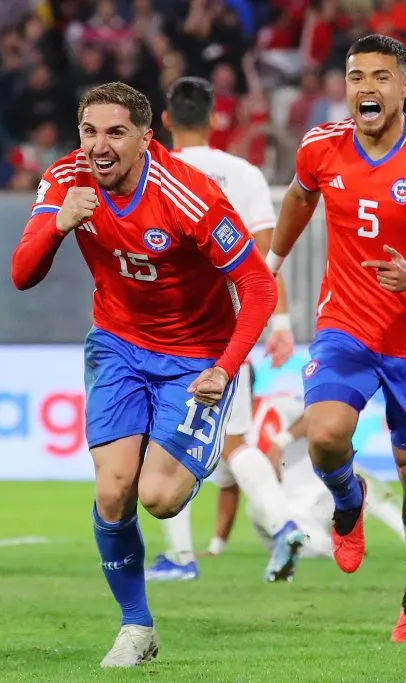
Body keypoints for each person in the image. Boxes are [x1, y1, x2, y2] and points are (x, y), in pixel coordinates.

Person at [10, 82, 277, 668]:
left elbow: (258, 285)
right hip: (118, 345)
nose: (99, 146)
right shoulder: (65, 180)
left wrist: (226, 367)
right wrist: (58, 225)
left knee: (158, 498)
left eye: (115, 133)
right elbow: (22, 274)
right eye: (89, 132)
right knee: (112, 490)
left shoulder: (190, 194)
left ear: (145, 138)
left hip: (195, 358)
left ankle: (199, 447)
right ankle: (136, 626)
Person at [267, 34, 406, 642]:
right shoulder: (321, 146)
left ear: (405, 86)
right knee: (325, 435)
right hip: (346, 325)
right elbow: (300, 196)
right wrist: (273, 261)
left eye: (381, 77)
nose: (367, 87)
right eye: (357, 76)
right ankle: (348, 500)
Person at [144, 75, 306, 584]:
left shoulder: (152, 170)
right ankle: (283, 525)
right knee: (234, 443)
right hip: (232, 326)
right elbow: (267, 256)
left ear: (165, 121)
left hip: (166, 328)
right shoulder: (244, 173)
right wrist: (280, 323)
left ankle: (180, 557)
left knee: (160, 441)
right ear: (214, 119)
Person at [210, 380, 406, 559]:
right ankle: (330, 550)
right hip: (296, 511)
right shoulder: (224, 436)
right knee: (256, 510)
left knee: (354, 480)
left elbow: (316, 416)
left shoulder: (277, 405)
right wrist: (216, 546)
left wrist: (281, 441)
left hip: (325, 492)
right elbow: (228, 489)